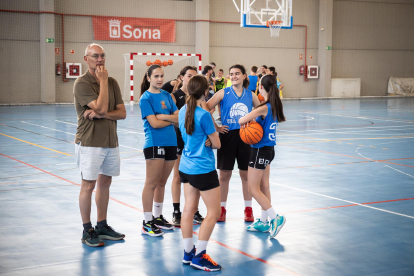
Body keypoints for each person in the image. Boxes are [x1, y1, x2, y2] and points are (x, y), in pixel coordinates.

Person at [74, 43, 126, 247]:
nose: (100, 59)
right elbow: (103, 106)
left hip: (110, 141)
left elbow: (121, 113)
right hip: (90, 142)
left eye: (102, 56)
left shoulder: (112, 82)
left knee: (105, 184)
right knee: (88, 185)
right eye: (95, 56)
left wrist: (100, 114)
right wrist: (103, 83)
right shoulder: (82, 83)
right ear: (86, 59)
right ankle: (87, 230)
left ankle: (102, 226)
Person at [207, 64, 260, 222]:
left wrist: (255, 123)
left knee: (246, 175)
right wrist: (216, 127)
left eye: (237, 73)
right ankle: (221, 209)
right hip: (227, 135)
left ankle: (248, 210)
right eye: (232, 74)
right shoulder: (223, 92)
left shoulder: (251, 95)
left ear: (245, 76)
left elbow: (263, 111)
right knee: (224, 175)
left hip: (246, 136)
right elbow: (205, 108)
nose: (234, 76)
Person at [179, 75, 222, 271]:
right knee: (214, 212)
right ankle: (200, 256)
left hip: (186, 168)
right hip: (203, 169)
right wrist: (209, 138)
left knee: (188, 209)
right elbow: (217, 143)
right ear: (205, 92)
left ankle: (188, 252)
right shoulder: (203, 115)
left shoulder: (181, 111)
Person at [239, 74, 286, 238]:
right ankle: (264, 222)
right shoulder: (273, 104)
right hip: (269, 149)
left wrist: (250, 117)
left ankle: (275, 218)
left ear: (261, 87)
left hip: (259, 150)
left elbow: (241, 120)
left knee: (253, 188)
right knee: (264, 185)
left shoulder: (263, 107)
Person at [139, 64, 179, 236]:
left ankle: (157, 217)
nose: (160, 79)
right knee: (151, 183)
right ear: (148, 78)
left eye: (162, 76)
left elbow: (180, 118)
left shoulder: (167, 96)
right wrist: (171, 119)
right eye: (156, 76)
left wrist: (164, 117)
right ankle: (147, 221)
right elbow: (154, 124)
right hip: (155, 144)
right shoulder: (145, 98)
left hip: (171, 142)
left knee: (162, 183)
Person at [170, 66, 205, 226]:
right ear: (181, 77)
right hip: (179, 139)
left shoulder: (199, 97)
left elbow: (206, 116)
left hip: (196, 141)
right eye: (189, 76)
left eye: (194, 76)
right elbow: (173, 118)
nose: (191, 79)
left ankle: (194, 210)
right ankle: (176, 212)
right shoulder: (175, 96)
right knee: (178, 176)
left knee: (195, 176)